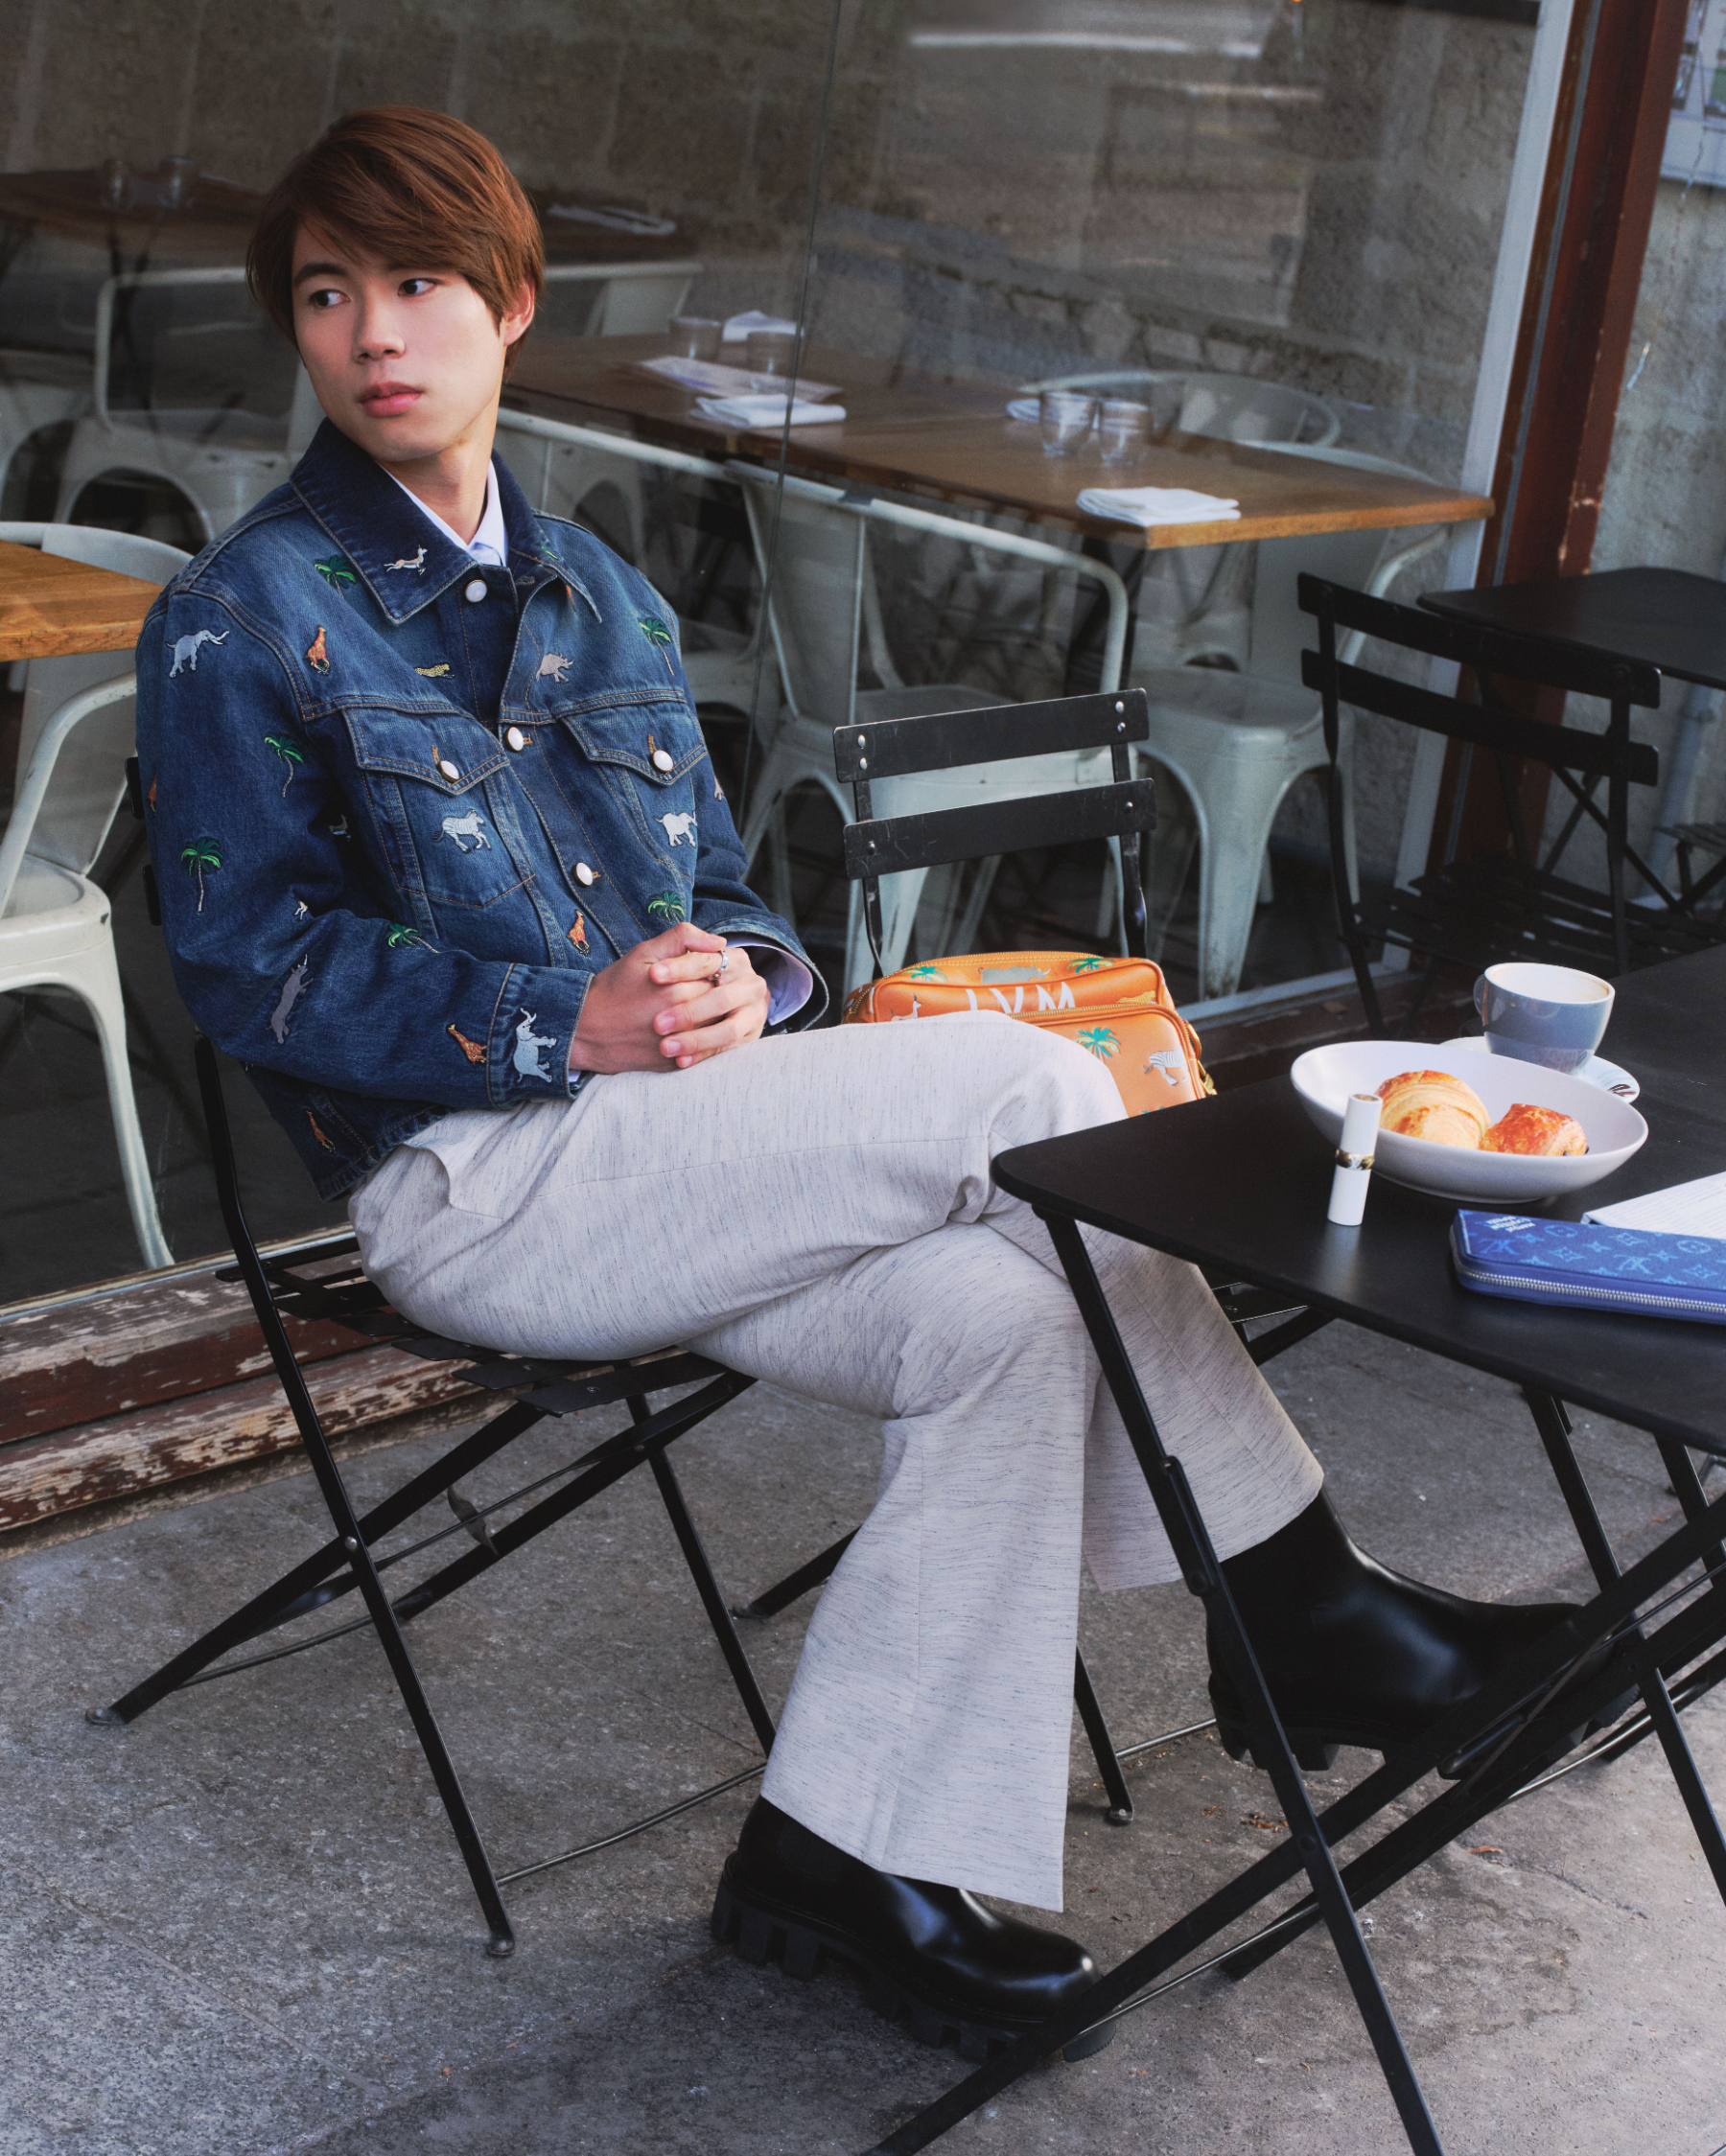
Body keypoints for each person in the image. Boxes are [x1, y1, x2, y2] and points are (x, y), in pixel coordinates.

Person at [136, 104, 1576, 2062]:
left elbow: (736, 909)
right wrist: (566, 1020)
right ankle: (1301, 1603)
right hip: (479, 1184)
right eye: (327, 295)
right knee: (1015, 1086)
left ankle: (838, 1855)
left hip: (691, 1157)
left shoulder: (608, 600)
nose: (375, 332)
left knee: (1010, 1312)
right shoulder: (241, 617)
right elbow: (251, 969)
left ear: (514, 303)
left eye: (420, 281)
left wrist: (749, 981)